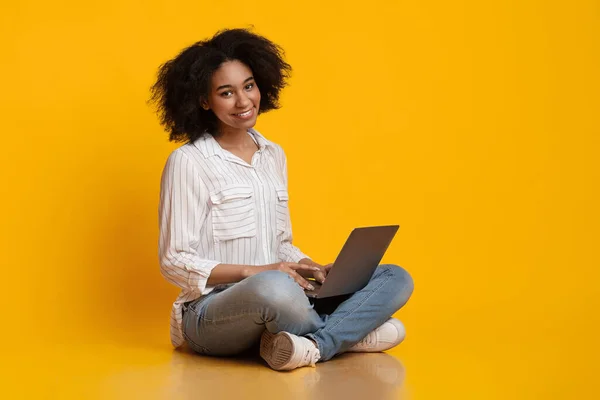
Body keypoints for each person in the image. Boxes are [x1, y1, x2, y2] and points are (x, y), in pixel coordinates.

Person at [151, 28, 414, 371]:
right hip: (209, 314)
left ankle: (311, 344)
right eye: (226, 93)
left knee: (395, 276)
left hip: (283, 297)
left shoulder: (273, 154)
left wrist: (312, 268)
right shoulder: (189, 162)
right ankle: (347, 336)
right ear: (204, 101)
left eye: (248, 86)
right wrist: (257, 272)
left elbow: (280, 244)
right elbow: (174, 260)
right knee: (275, 288)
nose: (244, 101)